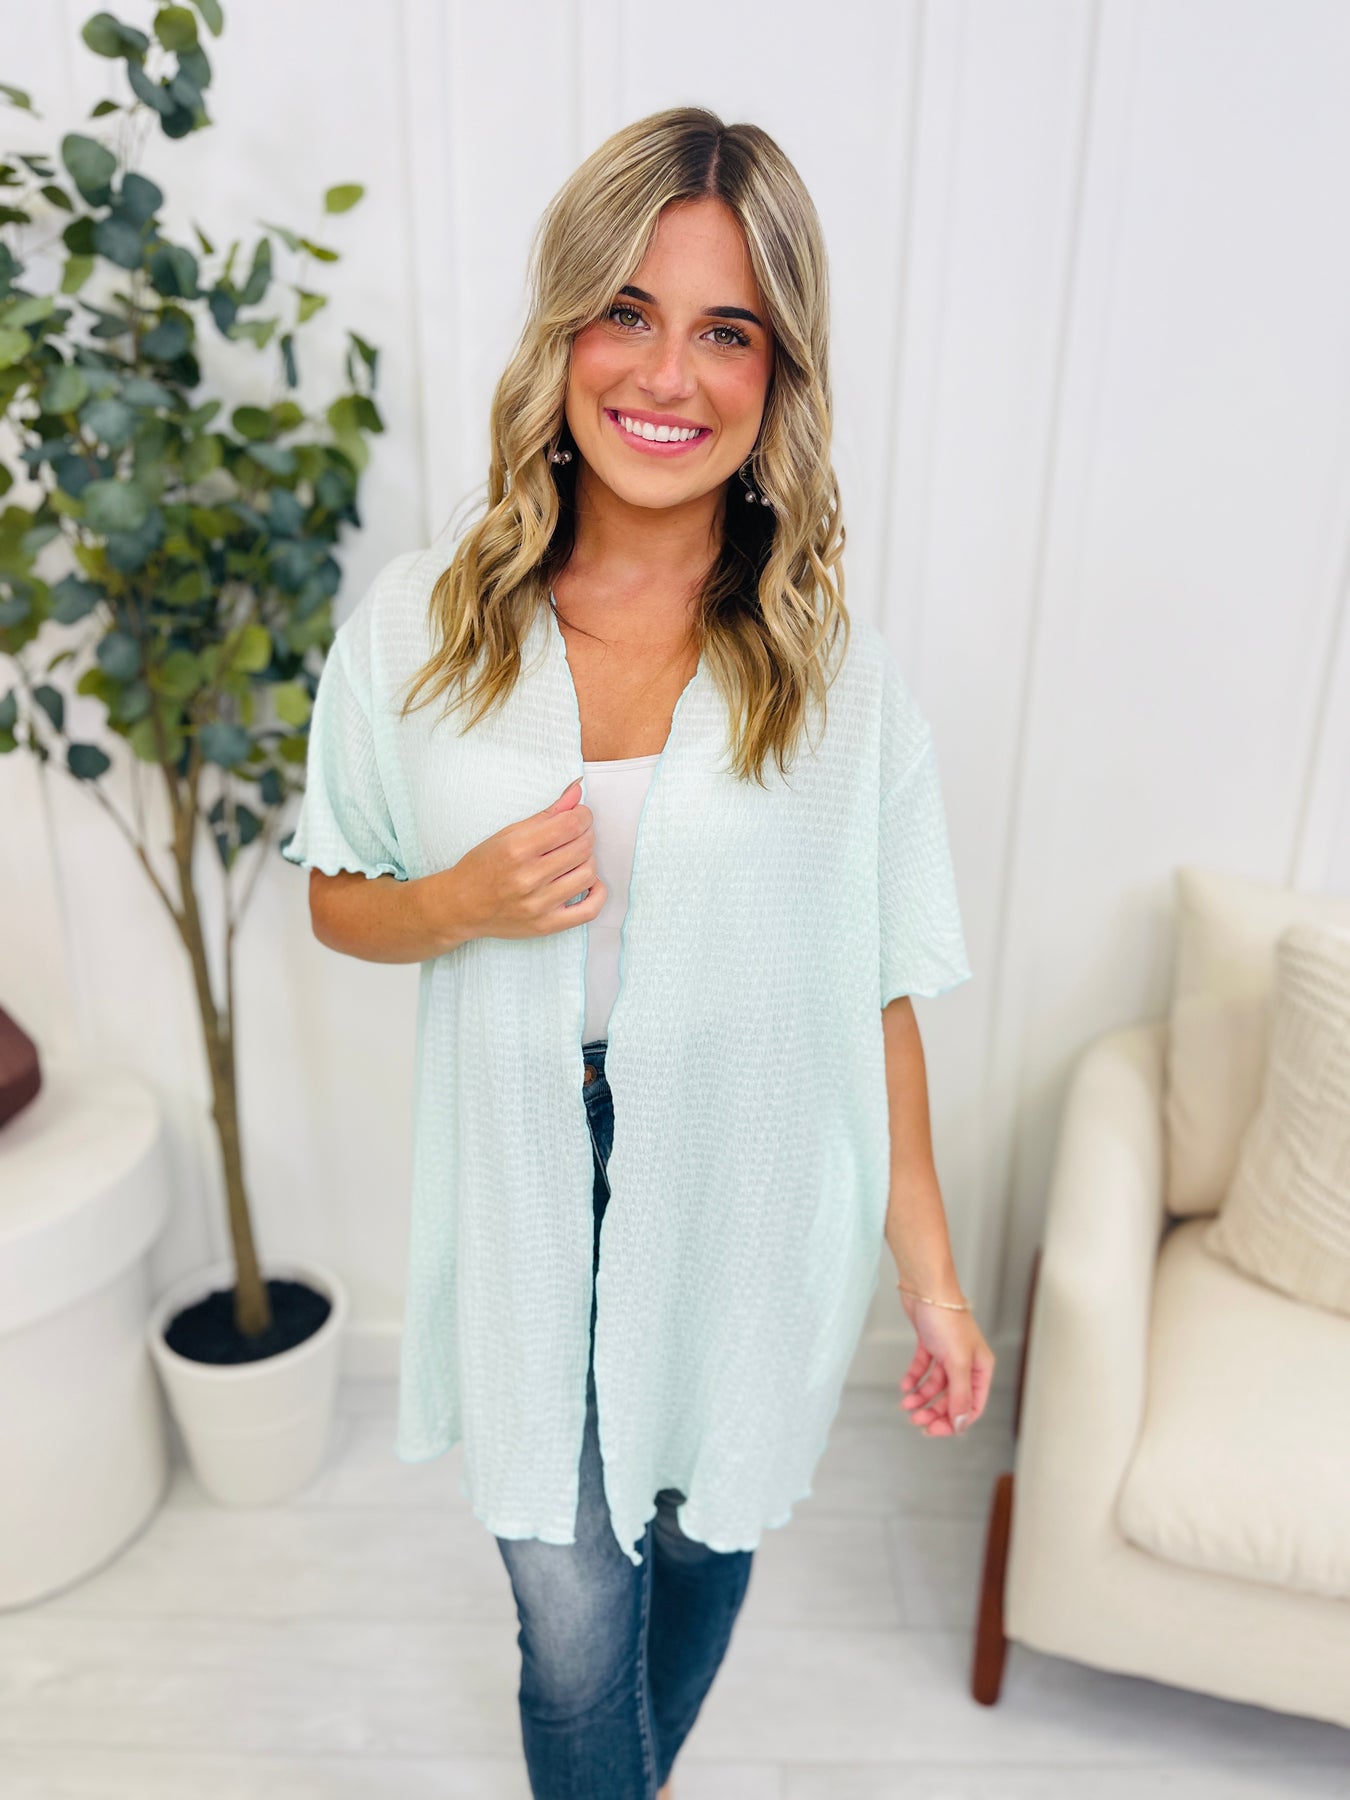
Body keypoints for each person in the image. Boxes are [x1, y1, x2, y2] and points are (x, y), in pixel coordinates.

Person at [284, 104, 995, 1800]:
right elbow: (339, 894)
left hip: (756, 1179)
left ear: (776, 374)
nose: (668, 374)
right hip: (529, 1167)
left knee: (702, 1529)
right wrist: (460, 902)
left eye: (725, 329)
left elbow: (874, 986)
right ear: (563, 334)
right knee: (568, 1608)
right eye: (626, 311)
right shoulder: (420, 631)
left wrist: (934, 1281)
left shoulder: (831, 675)